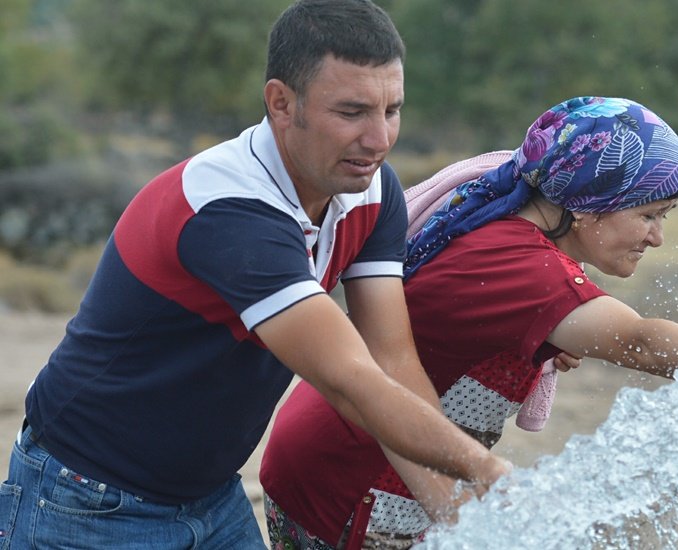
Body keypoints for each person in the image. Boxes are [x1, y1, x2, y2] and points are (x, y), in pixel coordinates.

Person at [0, 1, 510, 547]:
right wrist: (493, 475)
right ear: (281, 103)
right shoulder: (229, 208)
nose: (379, 139)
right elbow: (350, 383)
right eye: (352, 112)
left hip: (213, 496)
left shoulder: (371, 189)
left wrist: (456, 514)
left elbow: (393, 362)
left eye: (391, 110)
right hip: (88, 498)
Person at [260, 96, 678, 549]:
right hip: (353, 484)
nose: (658, 237)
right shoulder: (523, 267)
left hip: (338, 454)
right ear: (588, 204)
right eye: (649, 215)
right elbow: (638, 342)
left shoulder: (504, 227)